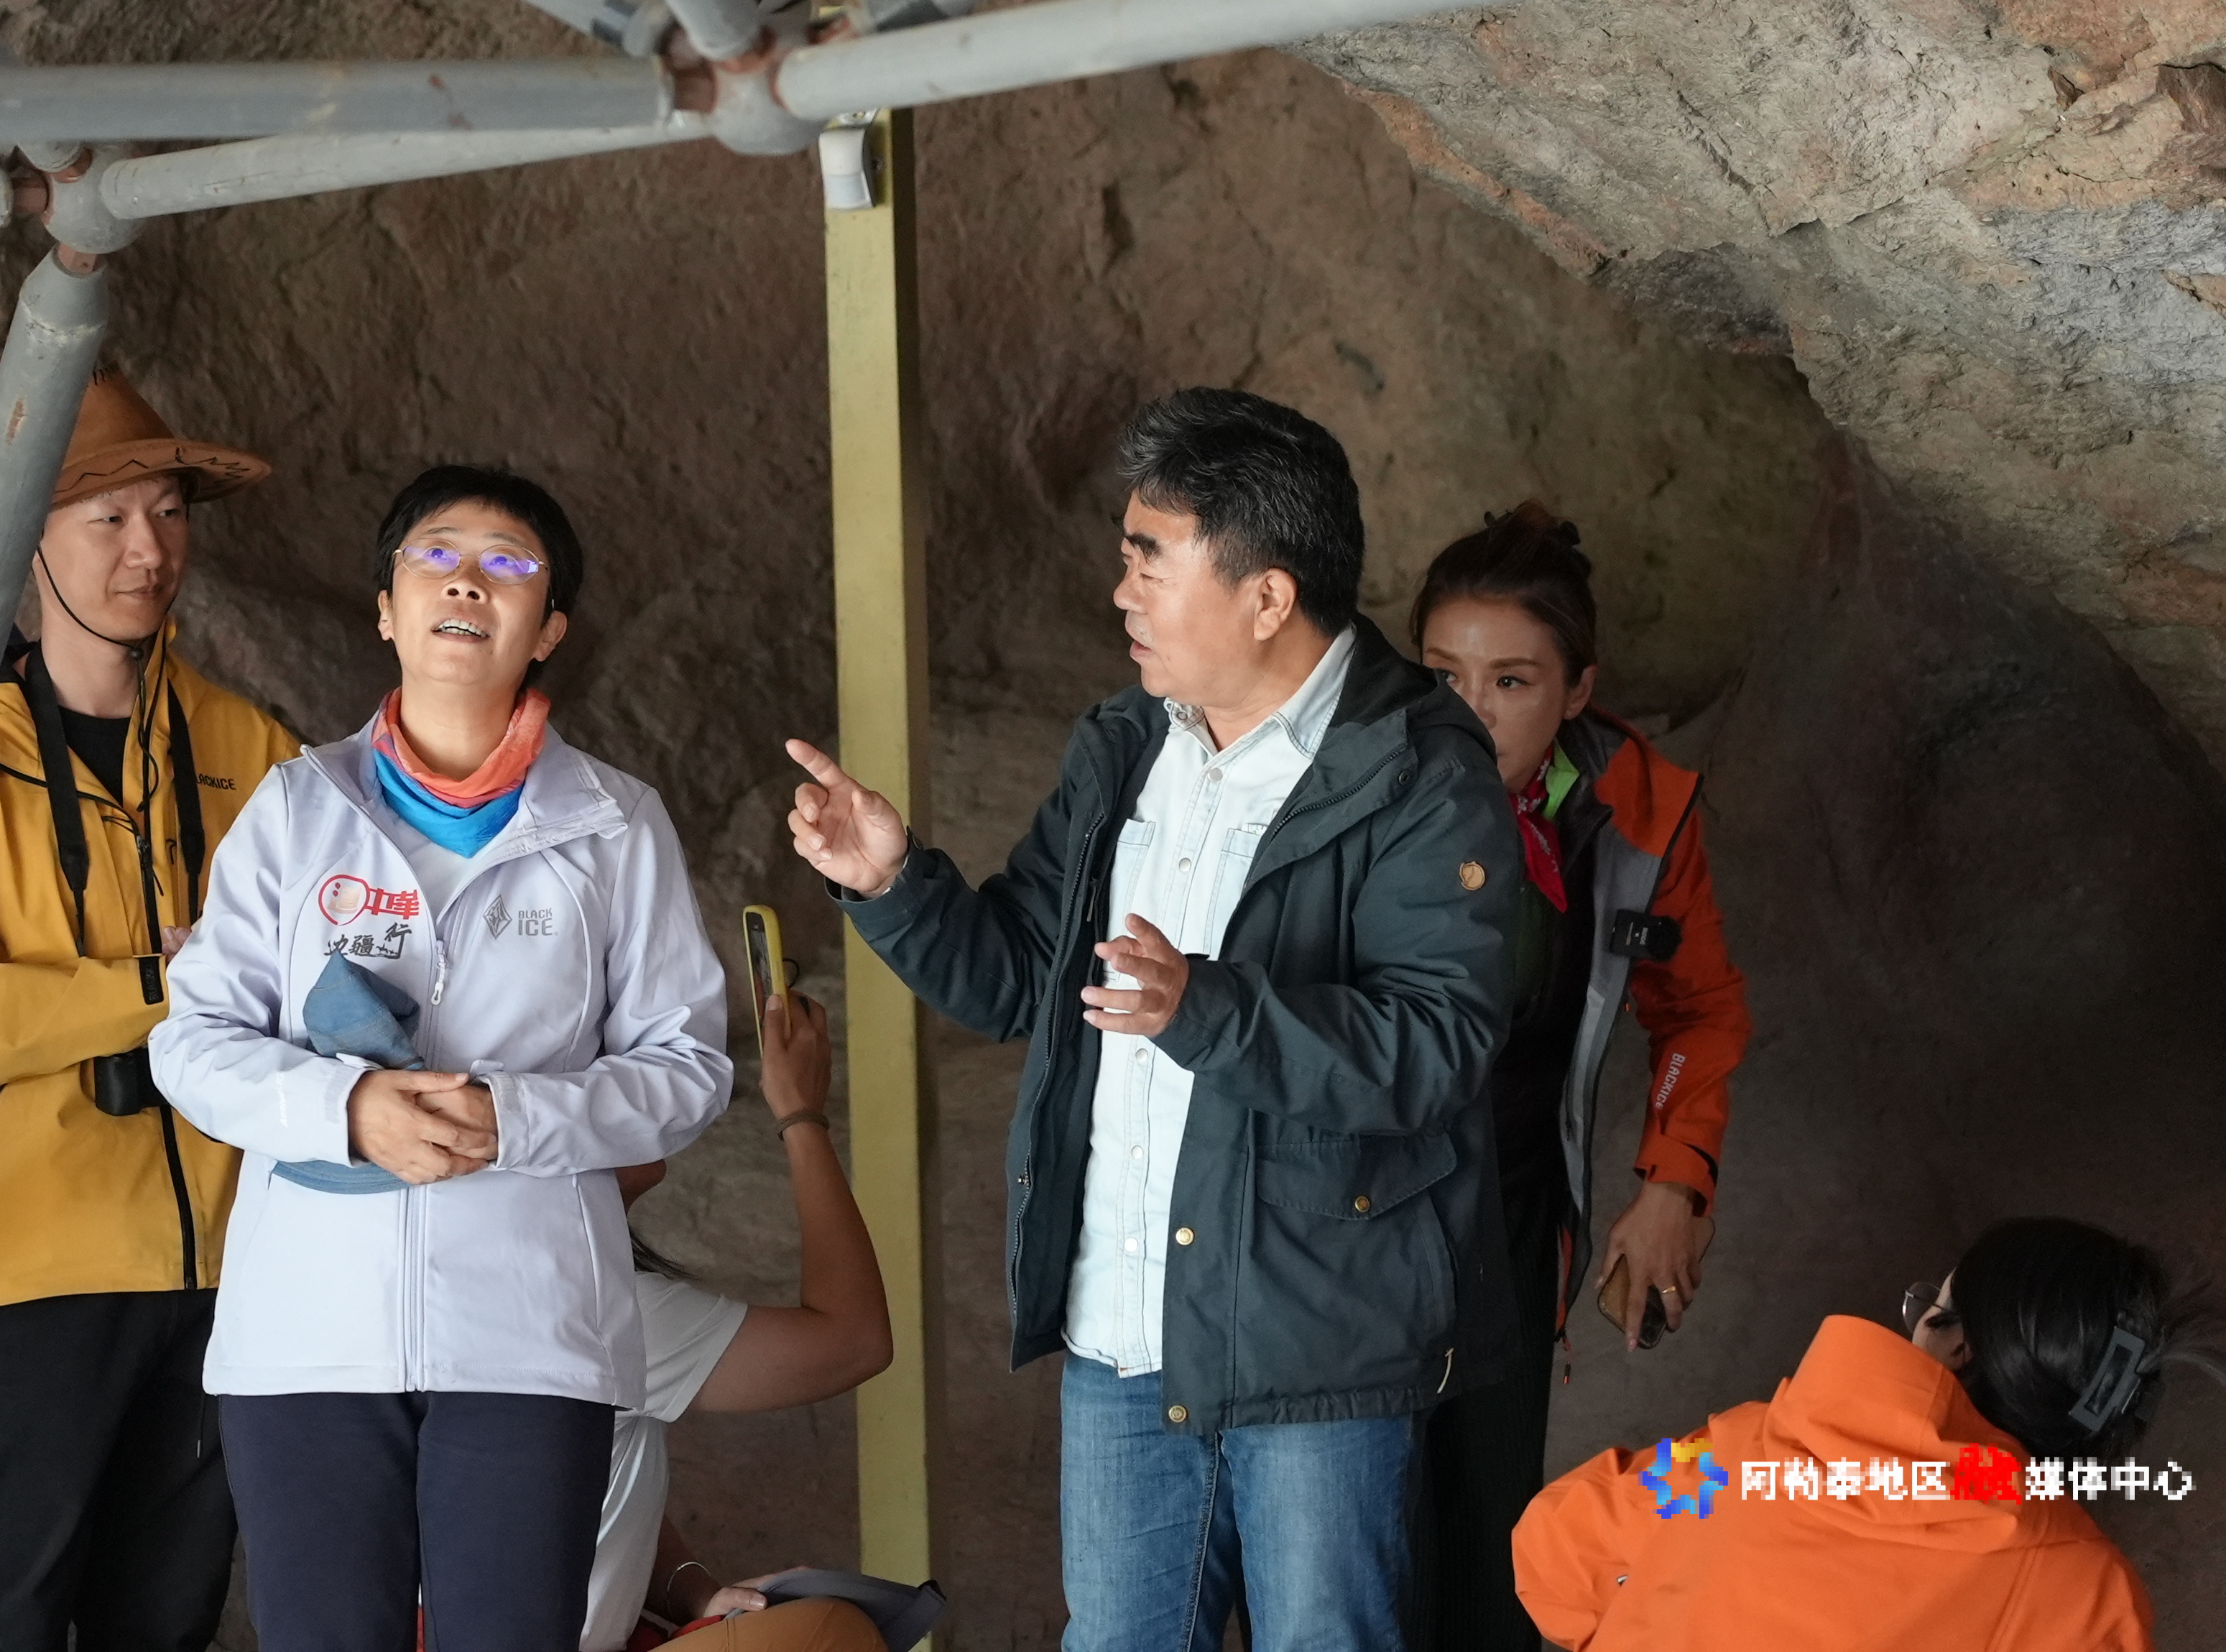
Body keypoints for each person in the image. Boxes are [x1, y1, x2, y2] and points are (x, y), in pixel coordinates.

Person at [787, 387, 1523, 1651]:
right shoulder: (1127, 743)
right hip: (1123, 1330)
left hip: (1320, 1354)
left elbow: (1435, 1048)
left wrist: (1208, 1009)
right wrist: (896, 885)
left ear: (1267, 597)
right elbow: (1023, 980)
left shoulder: (1417, 768)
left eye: (1150, 561)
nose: (1120, 592)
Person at [152, 463, 731, 1652]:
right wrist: (347, 1108)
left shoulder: (616, 825)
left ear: (549, 629)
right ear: (386, 607)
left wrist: (516, 1117)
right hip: (306, 1336)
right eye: (436, 555)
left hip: (531, 1334)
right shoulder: (294, 808)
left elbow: (688, 1068)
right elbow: (193, 1040)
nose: (469, 581)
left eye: (510, 565)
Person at [0, 371, 299, 1652]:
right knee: (2, 1619)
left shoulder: (253, 750)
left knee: (167, 1621)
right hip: (29, 1266)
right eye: (108, 517)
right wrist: (163, 985)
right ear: (24, 543)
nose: (149, 549)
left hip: (229, 1264)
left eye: (168, 513)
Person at [1408, 504, 1751, 1650]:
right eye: (1442, 675)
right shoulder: (1346, 779)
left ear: (1577, 691)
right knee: (1349, 1551)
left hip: (1508, 1215)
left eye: (1512, 680)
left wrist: (1674, 1182)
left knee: (1490, 1544)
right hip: (1343, 1229)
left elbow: (1699, 1009)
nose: (1469, 710)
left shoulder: (1638, 808)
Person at [1513, 1217, 2183, 1648]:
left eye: (1932, 1304)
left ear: (1958, 1348)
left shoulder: (1736, 1454)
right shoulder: (2091, 1600)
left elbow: (1549, 1556)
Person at [590, 988, 892, 1652]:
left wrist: (696, 1593)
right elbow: (852, 1343)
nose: (651, 1097)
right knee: (831, 1633)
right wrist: (801, 1116)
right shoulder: (600, 1302)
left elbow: (592, 1491)